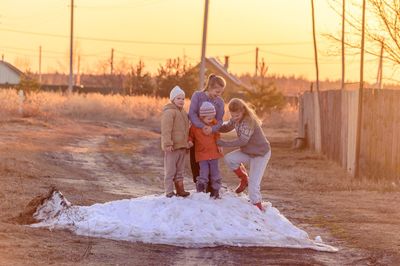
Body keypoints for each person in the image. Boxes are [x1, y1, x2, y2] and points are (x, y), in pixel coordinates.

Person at [217, 98, 271, 211]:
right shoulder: (235, 118)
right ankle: (243, 179)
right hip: (248, 152)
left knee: (254, 184)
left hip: (260, 154)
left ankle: (257, 207)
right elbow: (226, 127)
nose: (235, 118)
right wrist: (213, 126)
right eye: (233, 116)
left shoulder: (248, 121)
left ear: (243, 111)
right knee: (229, 158)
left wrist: (223, 143)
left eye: (237, 116)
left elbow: (242, 141)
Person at [188, 74, 226, 188]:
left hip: (211, 135)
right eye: (217, 91)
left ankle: (212, 186)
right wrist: (201, 126)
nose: (218, 94)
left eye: (221, 92)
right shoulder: (198, 96)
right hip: (197, 133)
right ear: (209, 87)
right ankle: (200, 184)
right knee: (197, 160)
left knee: (211, 161)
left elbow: (219, 120)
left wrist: (212, 129)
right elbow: (192, 113)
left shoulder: (220, 102)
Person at [160, 85, 191, 198]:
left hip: (182, 146)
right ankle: (169, 191)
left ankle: (180, 189)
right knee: (170, 170)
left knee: (180, 170)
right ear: (172, 99)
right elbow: (166, 130)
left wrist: (188, 142)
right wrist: (167, 144)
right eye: (178, 98)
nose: (181, 101)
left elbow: (186, 130)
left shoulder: (183, 113)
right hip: (172, 147)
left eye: (183, 99)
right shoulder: (169, 112)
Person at [188, 102, 223, 198]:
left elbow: (217, 135)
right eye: (209, 118)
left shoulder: (214, 123)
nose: (211, 120)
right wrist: (190, 141)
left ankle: (215, 190)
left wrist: (219, 145)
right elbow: (190, 136)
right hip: (202, 155)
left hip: (214, 153)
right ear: (202, 116)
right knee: (203, 172)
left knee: (215, 173)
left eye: (212, 117)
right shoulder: (195, 126)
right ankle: (201, 188)